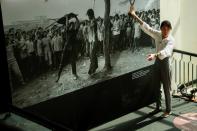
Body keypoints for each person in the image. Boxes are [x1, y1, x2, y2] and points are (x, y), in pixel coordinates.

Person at [129, 5, 175, 118]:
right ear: (161, 29)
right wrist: (135, 15)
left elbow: (166, 51)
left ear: (170, 29)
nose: (165, 30)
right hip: (157, 63)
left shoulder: (171, 40)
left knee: (166, 87)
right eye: (163, 28)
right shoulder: (158, 34)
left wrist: (155, 55)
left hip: (166, 63)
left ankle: (168, 109)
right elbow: (147, 27)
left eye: (167, 29)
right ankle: (158, 107)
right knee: (156, 86)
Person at [87, 9, 98, 75]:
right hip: (91, 40)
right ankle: (95, 67)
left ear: (91, 15)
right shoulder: (91, 21)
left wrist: (92, 24)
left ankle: (91, 70)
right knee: (93, 55)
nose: (88, 17)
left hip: (95, 39)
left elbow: (93, 27)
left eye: (89, 15)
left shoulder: (94, 21)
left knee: (93, 55)